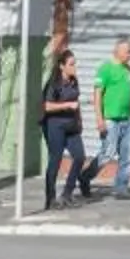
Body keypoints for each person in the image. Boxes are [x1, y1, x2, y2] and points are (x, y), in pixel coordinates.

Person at [41, 47, 97, 210]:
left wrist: (80, 121)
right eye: (71, 64)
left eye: (75, 64)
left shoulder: (74, 81)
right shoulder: (53, 83)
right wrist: (67, 105)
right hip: (55, 126)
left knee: (80, 157)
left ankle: (67, 193)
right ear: (62, 66)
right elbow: (47, 106)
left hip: (72, 126)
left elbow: (76, 103)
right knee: (55, 161)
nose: (74, 67)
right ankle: (50, 199)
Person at [95, 38, 130, 201]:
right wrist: (99, 119)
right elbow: (97, 95)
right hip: (111, 120)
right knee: (107, 153)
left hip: (128, 120)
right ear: (117, 51)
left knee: (128, 155)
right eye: (128, 51)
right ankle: (85, 178)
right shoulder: (105, 69)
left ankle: (121, 189)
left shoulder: (129, 70)